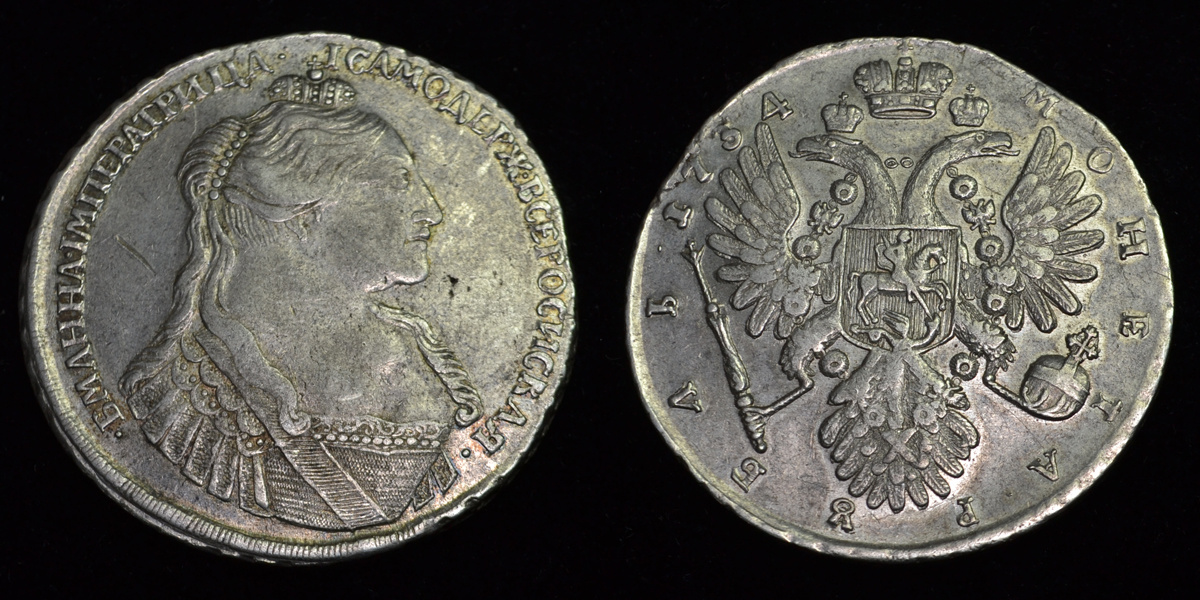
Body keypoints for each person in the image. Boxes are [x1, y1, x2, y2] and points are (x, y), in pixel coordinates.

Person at [119, 71, 482, 530]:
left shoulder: (428, 363)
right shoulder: (176, 398)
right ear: (301, 208)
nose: (432, 210)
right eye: (398, 181)